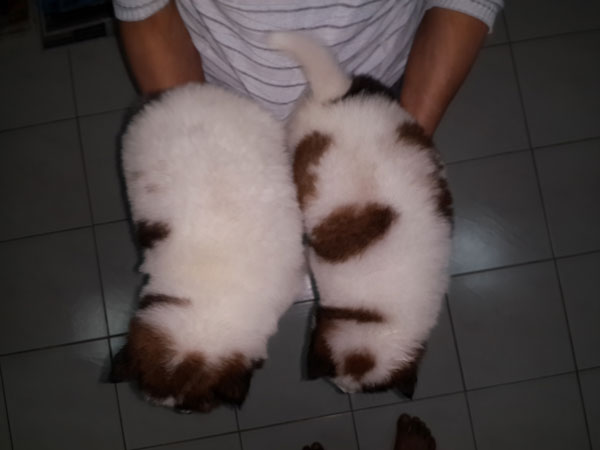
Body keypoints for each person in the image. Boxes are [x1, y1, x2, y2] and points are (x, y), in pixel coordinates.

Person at [113, 0, 503, 136]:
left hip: (377, 97)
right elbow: (146, 8)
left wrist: (405, 144)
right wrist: (198, 147)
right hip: (222, 105)